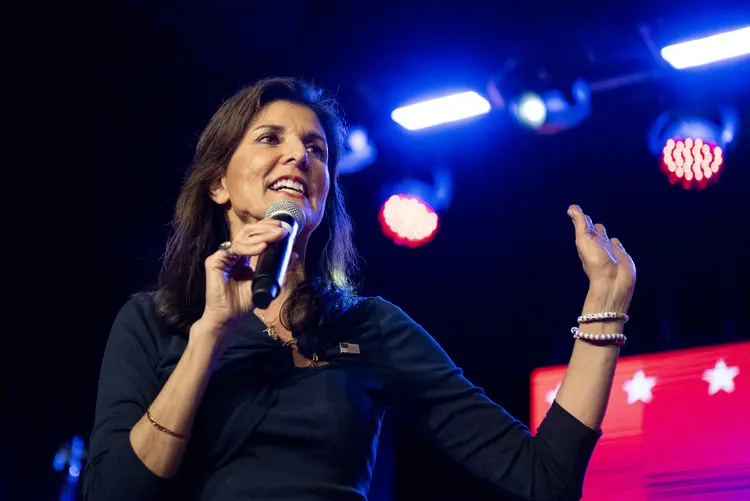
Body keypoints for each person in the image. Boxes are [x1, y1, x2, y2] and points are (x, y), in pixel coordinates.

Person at [82, 77, 636, 501]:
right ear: (219, 184)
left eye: (316, 149)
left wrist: (603, 309)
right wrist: (210, 337)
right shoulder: (155, 322)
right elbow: (113, 493)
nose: (299, 156)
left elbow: (545, 478)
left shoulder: (369, 326)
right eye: (270, 138)